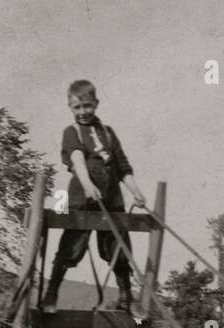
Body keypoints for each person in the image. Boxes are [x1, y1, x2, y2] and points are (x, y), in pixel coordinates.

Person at [41, 79, 148, 314]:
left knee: (118, 248)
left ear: (96, 103)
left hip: (112, 201)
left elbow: (122, 167)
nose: (82, 112)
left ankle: (126, 297)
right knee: (72, 249)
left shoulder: (108, 133)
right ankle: (51, 294)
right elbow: (77, 160)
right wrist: (88, 185)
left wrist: (135, 191)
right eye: (76, 107)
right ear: (70, 107)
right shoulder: (72, 132)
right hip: (82, 200)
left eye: (87, 106)